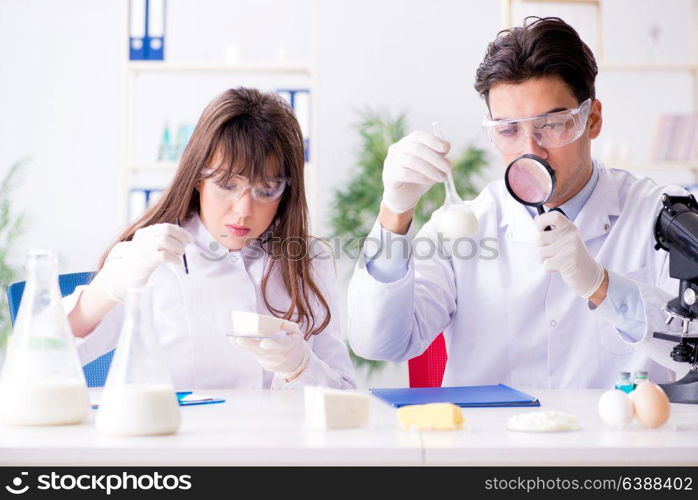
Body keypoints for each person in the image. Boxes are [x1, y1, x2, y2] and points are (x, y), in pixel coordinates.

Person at [347, 17, 692, 389]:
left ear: (591, 120)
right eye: (509, 130)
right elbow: (379, 342)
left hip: (618, 444)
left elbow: (692, 342)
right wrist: (394, 214)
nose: (531, 150)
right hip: (490, 443)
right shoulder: (465, 226)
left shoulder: (661, 215)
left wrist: (601, 286)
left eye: (551, 124)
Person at [65, 87, 355, 390]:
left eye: (266, 190)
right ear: (198, 179)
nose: (244, 210)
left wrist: (301, 367)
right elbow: (44, 354)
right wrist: (107, 289)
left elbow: (345, 395)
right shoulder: (150, 257)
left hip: (278, 437)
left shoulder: (308, 261)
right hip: (178, 435)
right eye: (228, 184)